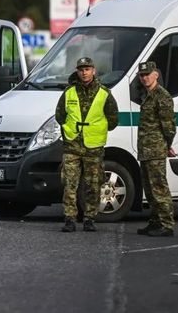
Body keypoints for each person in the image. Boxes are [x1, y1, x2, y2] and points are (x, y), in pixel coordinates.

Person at [55, 57, 118, 232]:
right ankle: (69, 218)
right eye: (81, 69)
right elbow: (59, 115)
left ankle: (90, 218)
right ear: (77, 71)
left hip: (94, 145)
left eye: (87, 69)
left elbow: (113, 119)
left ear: (94, 70)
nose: (84, 72)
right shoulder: (69, 92)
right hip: (72, 144)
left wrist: (97, 129)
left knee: (93, 183)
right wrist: (68, 130)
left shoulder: (104, 93)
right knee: (69, 183)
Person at [135, 61, 177, 237]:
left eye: (148, 74)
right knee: (150, 190)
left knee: (159, 188)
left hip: (156, 150)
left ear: (156, 75)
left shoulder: (162, 96)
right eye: (142, 75)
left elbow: (169, 126)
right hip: (146, 150)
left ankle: (166, 224)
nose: (145, 78)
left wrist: (167, 145)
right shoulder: (148, 95)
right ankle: (155, 222)